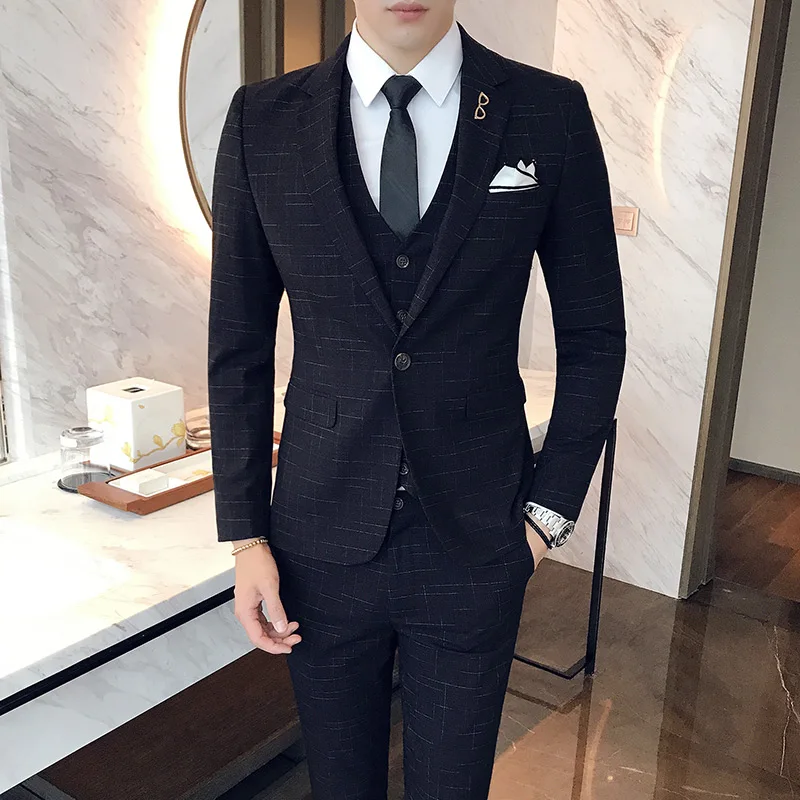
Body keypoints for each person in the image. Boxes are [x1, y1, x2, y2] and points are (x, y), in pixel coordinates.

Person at [207, 1, 626, 797]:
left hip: (477, 541)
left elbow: (596, 335)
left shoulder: (548, 110)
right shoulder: (263, 120)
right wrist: (246, 538)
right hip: (317, 544)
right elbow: (238, 348)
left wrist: (546, 520)